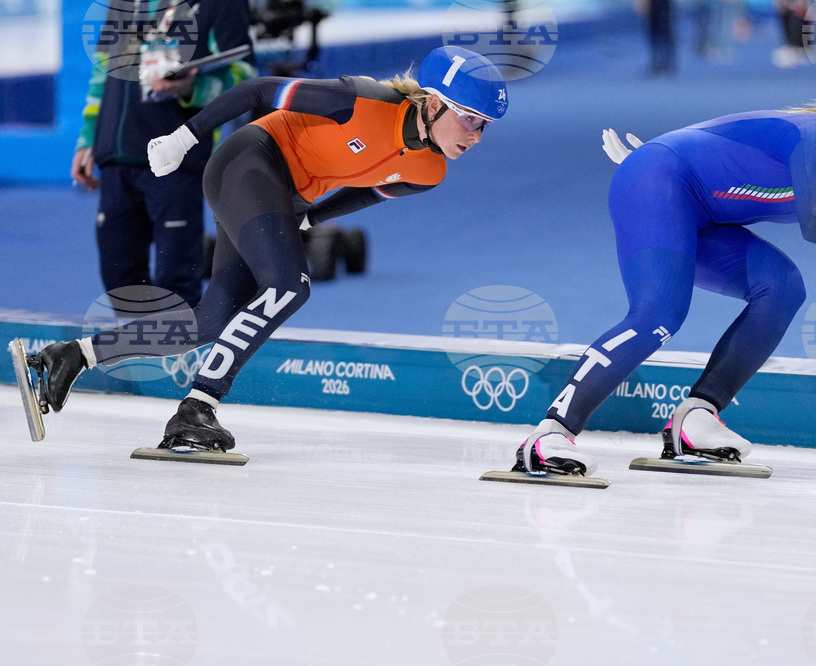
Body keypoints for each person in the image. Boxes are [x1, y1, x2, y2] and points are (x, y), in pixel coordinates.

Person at [27, 45, 508, 452]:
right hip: (249, 161)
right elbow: (257, 91)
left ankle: (71, 355)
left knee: (209, 322)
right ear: (431, 103)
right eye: (469, 118)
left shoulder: (429, 172)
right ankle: (199, 406)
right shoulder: (361, 99)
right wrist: (184, 138)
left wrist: (311, 216)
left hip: (282, 196)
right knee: (289, 285)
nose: (476, 136)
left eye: (485, 125)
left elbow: (370, 190)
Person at [512, 68, 816, 478]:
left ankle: (696, 418)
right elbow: (814, 225)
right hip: (658, 184)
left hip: (694, 206)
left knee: (783, 286)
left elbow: (738, 160)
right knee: (659, 314)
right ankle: (549, 434)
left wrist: (683, 161)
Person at [72, 0, 255, 310]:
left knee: (176, 285)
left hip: (176, 159)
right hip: (115, 158)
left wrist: (190, 87)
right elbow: (102, 70)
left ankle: (176, 358)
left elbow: (244, 79)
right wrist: (88, 138)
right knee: (119, 279)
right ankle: (136, 354)